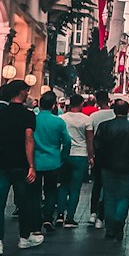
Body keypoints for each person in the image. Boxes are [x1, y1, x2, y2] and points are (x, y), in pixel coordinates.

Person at [0, 80, 43, 254]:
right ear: (21, 92)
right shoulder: (28, 115)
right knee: (23, 200)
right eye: (26, 91)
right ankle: (23, 237)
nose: (28, 94)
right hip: (20, 163)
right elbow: (29, 139)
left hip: (2, 163)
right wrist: (31, 165)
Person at [93, 99, 129, 242]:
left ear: (113, 110)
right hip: (127, 167)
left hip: (107, 167)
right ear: (128, 111)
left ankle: (110, 227)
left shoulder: (104, 126)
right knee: (123, 196)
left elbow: (97, 146)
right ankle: (119, 221)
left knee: (109, 197)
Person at [33, 91, 71, 230]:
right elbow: (67, 141)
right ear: (53, 105)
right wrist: (63, 156)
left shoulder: (33, 120)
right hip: (53, 160)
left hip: (35, 161)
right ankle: (48, 217)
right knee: (51, 190)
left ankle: (36, 218)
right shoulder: (58, 122)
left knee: (35, 191)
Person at [59, 92, 94, 227]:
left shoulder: (62, 118)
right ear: (81, 104)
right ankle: (70, 217)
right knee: (75, 188)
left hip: (65, 154)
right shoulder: (86, 120)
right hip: (81, 155)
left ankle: (60, 215)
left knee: (63, 185)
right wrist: (91, 156)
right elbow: (89, 139)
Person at [88, 91, 115, 228]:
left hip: (98, 154)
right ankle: (101, 215)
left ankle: (93, 213)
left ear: (97, 101)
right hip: (113, 154)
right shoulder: (115, 115)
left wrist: (90, 155)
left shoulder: (93, 116)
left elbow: (90, 137)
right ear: (109, 100)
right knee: (108, 186)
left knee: (97, 184)